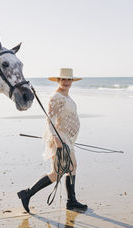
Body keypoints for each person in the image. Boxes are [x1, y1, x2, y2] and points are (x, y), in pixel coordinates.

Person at [17, 68, 88, 213]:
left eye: (69, 79)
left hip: (67, 139)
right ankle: (27, 193)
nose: (66, 82)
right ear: (58, 81)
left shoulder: (67, 96)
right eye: (63, 79)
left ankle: (71, 201)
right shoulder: (56, 97)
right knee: (57, 172)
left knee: (72, 167)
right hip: (59, 139)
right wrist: (56, 139)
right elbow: (50, 121)